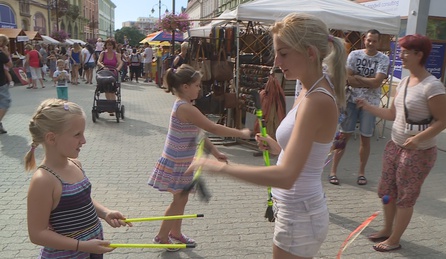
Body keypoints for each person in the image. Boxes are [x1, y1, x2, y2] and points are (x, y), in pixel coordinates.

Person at [185, 13, 346, 259]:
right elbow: (306, 153)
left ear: (310, 53)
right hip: (296, 210)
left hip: (300, 215)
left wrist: (221, 169)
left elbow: (286, 177)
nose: (276, 62)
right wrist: (278, 148)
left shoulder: (317, 99)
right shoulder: (308, 87)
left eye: (283, 53)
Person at [356, 34, 446, 252]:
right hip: (395, 146)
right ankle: (387, 229)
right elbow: (392, 114)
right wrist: (368, 107)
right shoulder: (405, 81)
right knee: (387, 191)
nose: (401, 56)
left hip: (419, 152)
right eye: (401, 51)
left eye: (405, 52)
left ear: (419, 55)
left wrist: (417, 140)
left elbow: (443, 121)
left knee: (405, 198)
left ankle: (394, 239)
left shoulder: (432, 86)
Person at [148, 64, 251, 250]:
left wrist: (215, 152)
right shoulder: (185, 108)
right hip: (177, 162)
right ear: (185, 87)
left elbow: (199, 133)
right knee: (178, 200)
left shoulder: (188, 106)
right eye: (197, 85)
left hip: (184, 160)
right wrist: (241, 133)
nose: (200, 88)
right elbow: (213, 128)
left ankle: (175, 232)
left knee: (182, 198)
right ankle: (162, 236)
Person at [24, 98, 132, 258]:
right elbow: (37, 233)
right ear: (51, 138)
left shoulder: (76, 164)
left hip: (91, 248)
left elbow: (82, 200)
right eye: (77, 135)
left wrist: (105, 212)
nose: (84, 140)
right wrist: (80, 245)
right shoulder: (44, 180)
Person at [328, 29, 390, 186]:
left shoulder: (383, 59)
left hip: (370, 104)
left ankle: (361, 173)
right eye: (369, 40)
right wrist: (366, 80)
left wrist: (358, 78)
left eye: (374, 41)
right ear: (364, 39)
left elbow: (377, 83)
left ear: (378, 42)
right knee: (343, 136)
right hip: (351, 100)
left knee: (365, 138)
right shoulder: (354, 55)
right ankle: (333, 171)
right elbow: (348, 79)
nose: (371, 43)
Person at [97, 38, 123, 103]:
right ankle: (109, 105)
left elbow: (121, 63)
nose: (109, 47)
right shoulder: (103, 53)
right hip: (105, 72)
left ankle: (113, 106)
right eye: (108, 45)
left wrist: (117, 69)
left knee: (112, 91)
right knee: (106, 90)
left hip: (113, 73)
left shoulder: (116, 54)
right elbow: (98, 62)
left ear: (113, 46)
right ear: (105, 46)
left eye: (111, 45)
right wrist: (103, 66)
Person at [0, 34, 13, 134]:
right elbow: (10, 65)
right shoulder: (1, 53)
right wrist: (6, 54)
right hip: (1, 83)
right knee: (5, 101)